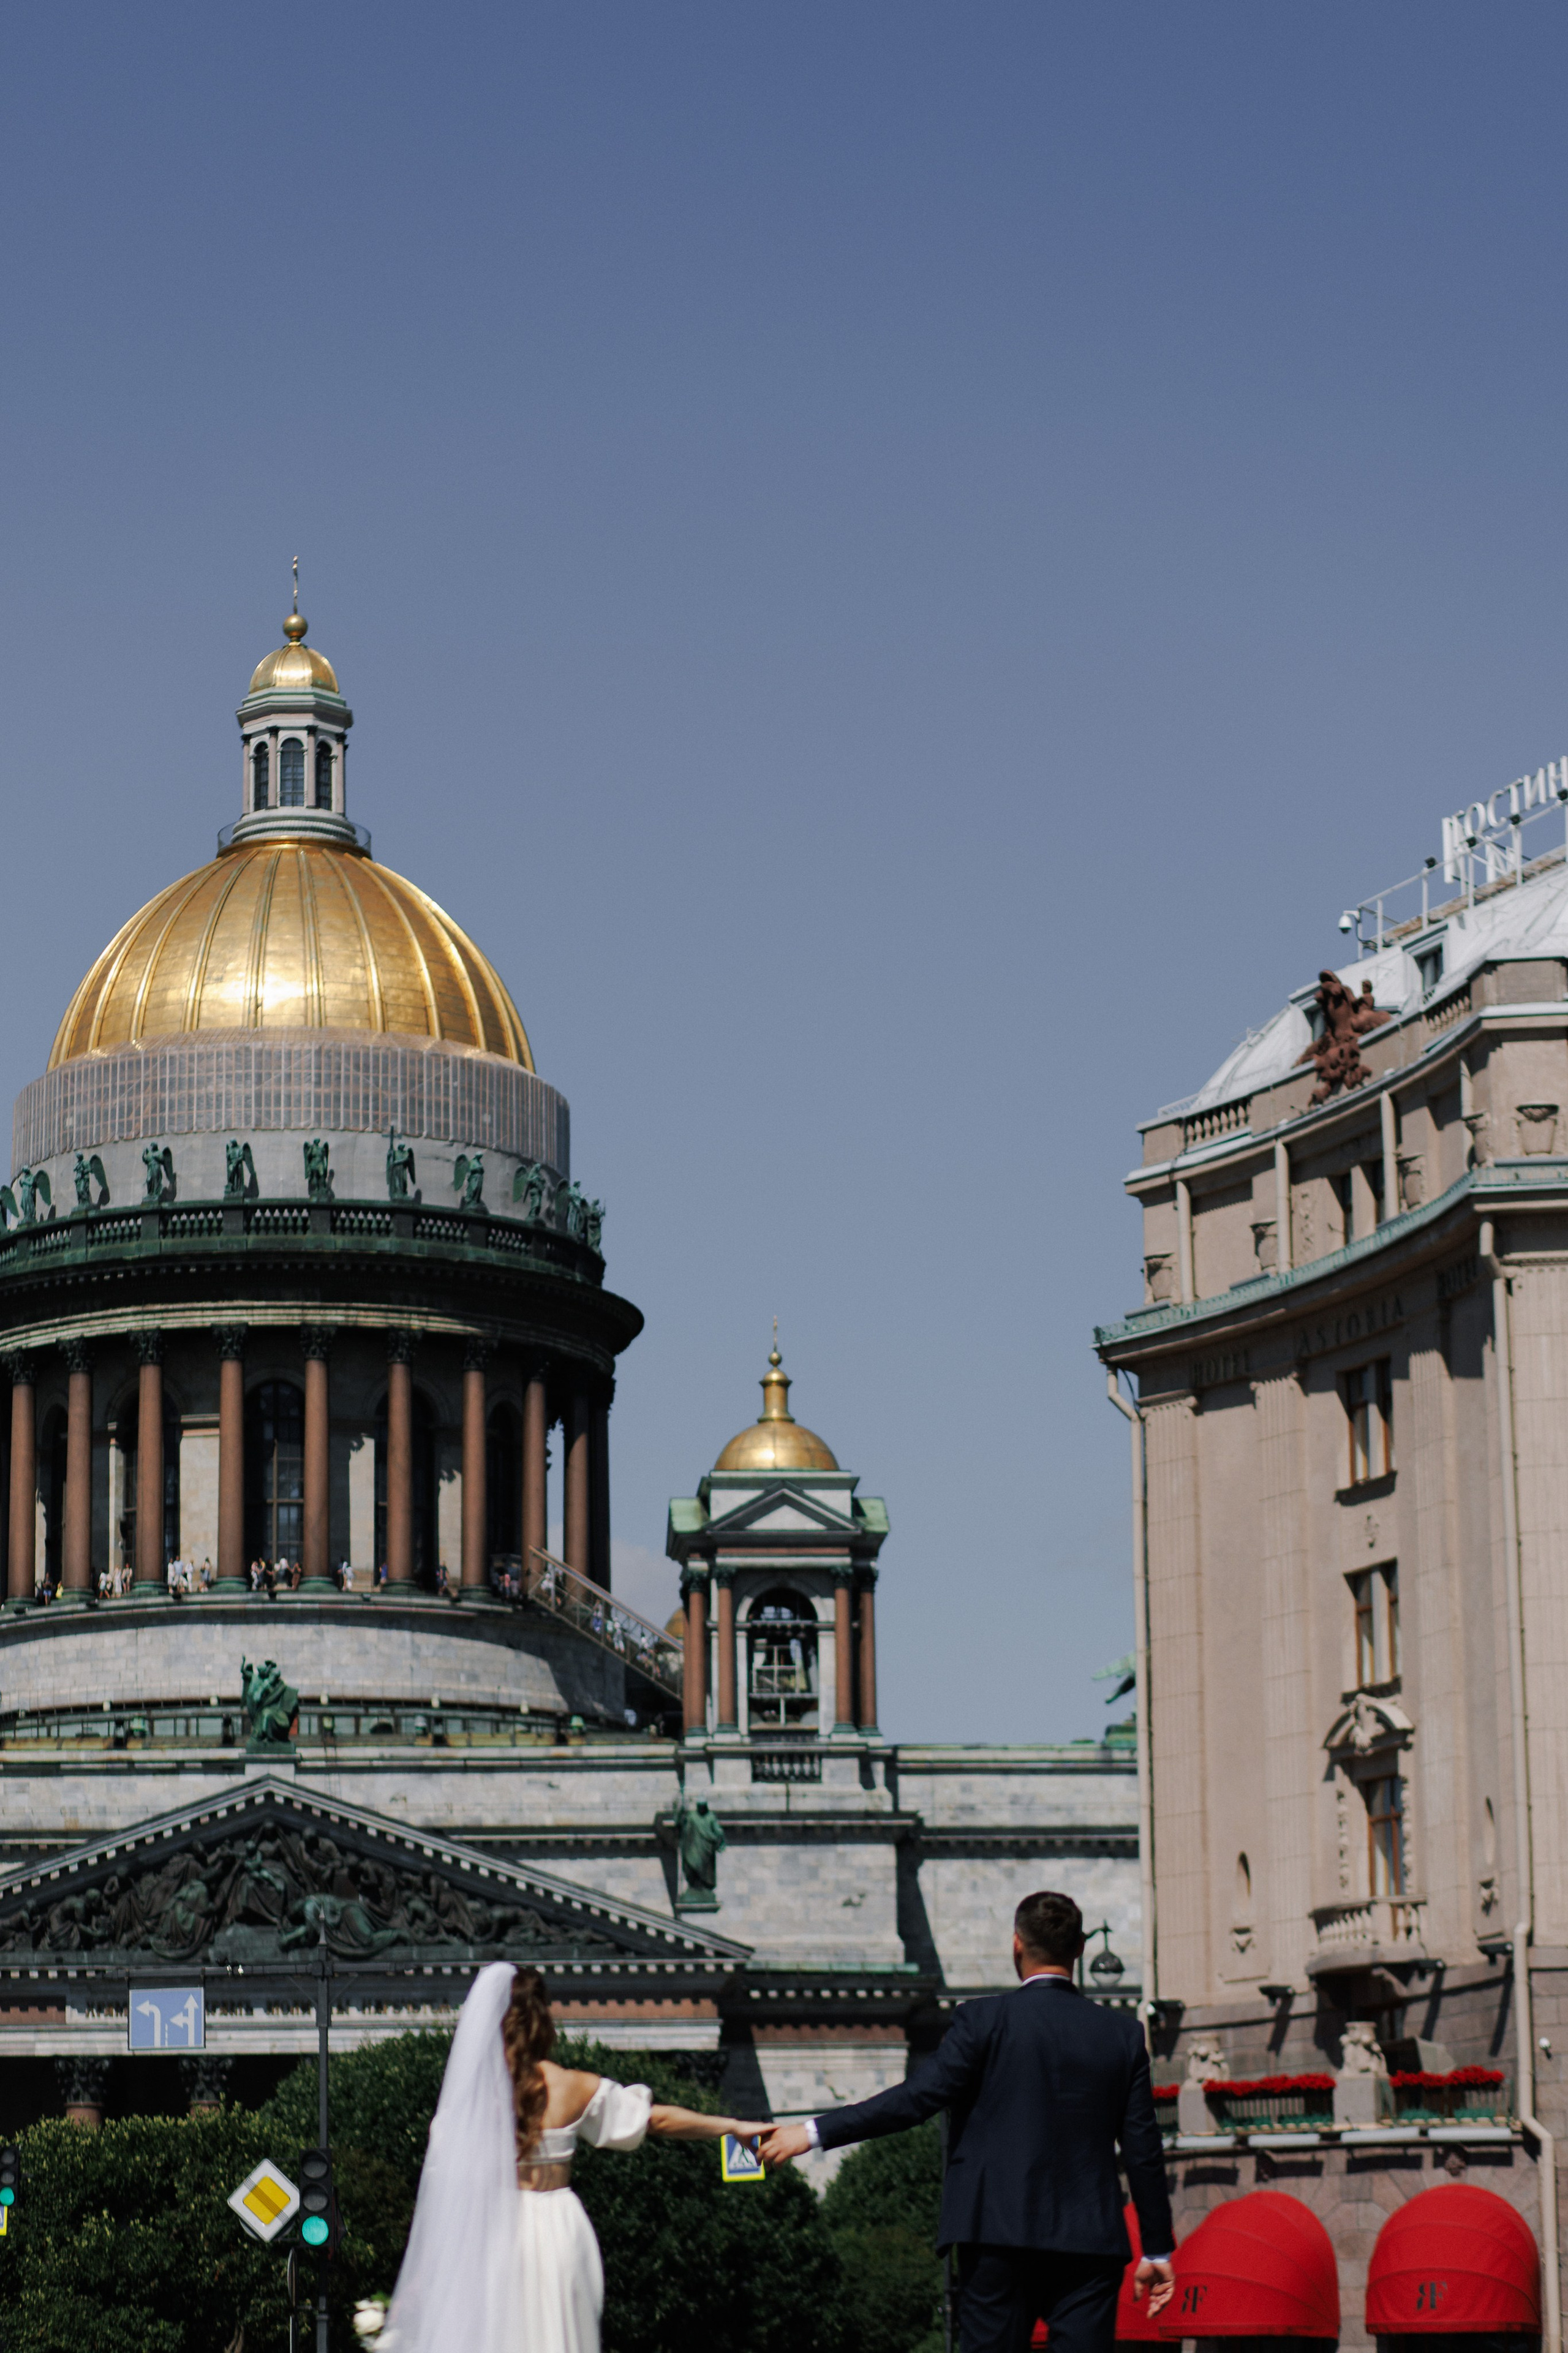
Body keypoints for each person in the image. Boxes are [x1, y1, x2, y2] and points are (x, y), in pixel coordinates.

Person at [759, 1890, 1176, 2353]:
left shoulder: (982, 2021)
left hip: (995, 2230)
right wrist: (1157, 2247)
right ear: (1080, 1948)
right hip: (1089, 2238)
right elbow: (1143, 2148)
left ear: (1016, 1944)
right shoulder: (1121, 2034)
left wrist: (812, 2133)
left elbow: (915, 2100)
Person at [381, 1961, 769, 2353]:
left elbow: (444, 2196)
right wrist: (732, 2125)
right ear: (542, 2018)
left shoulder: (466, 2105)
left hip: (490, 2233)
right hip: (557, 2228)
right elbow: (656, 2120)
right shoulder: (571, 2086)